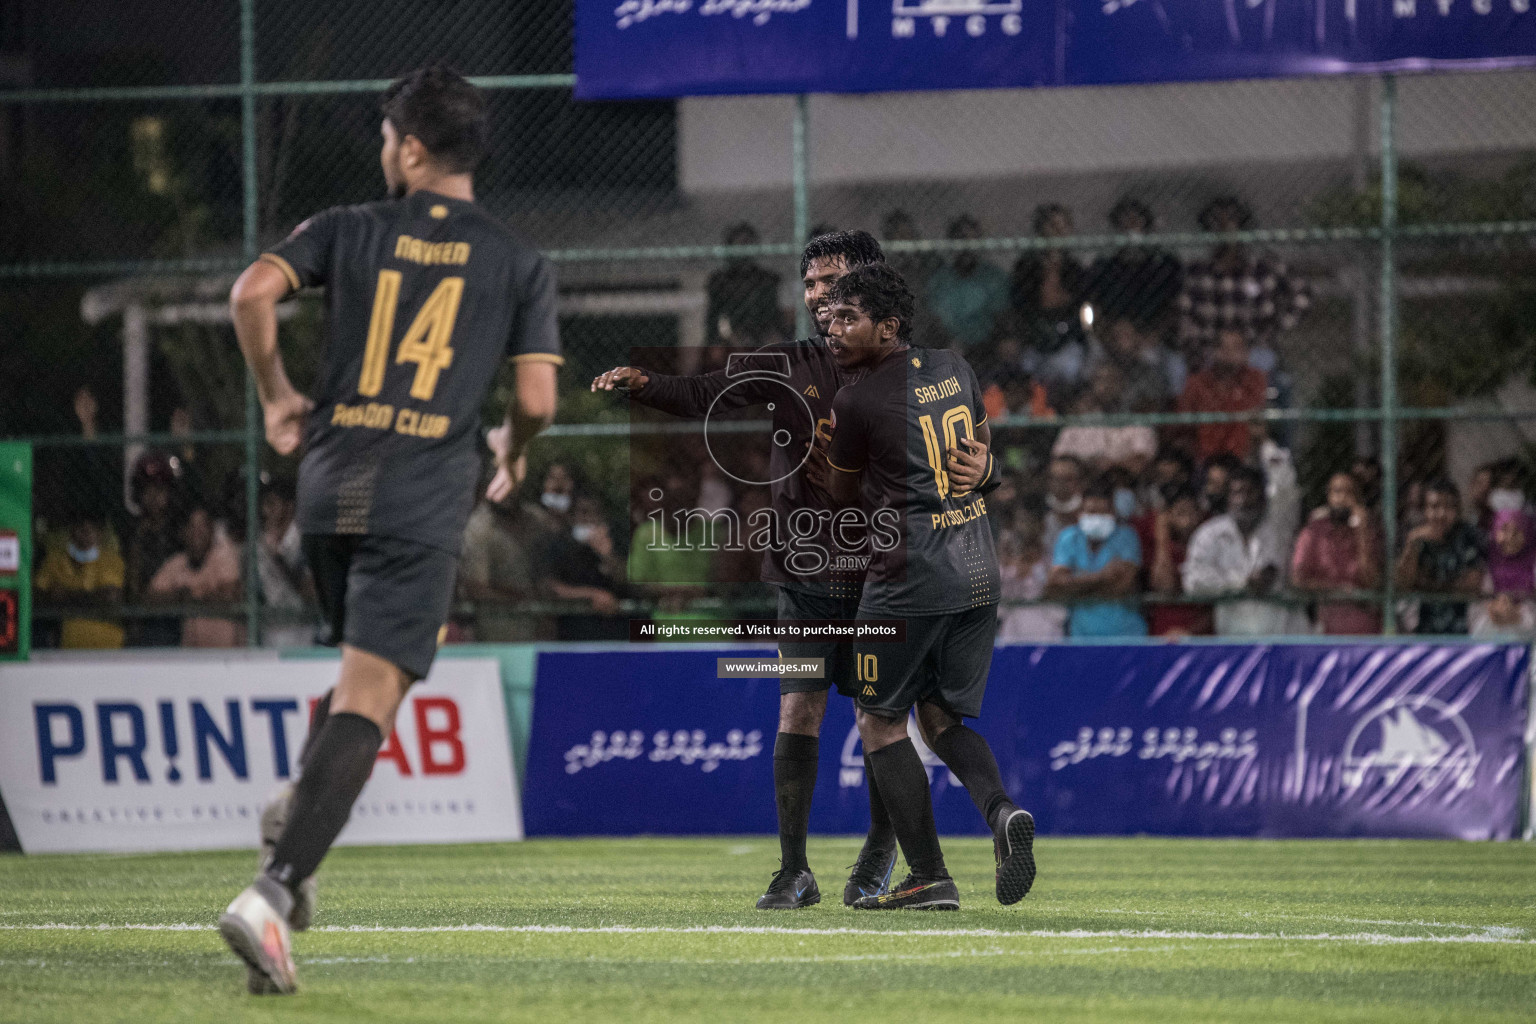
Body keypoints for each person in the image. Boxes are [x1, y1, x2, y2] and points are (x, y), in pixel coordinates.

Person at [216, 66, 560, 995]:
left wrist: (279, 400)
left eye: (384, 135)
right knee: (372, 699)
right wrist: (512, 450)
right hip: (421, 494)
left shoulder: (346, 227)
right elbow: (535, 398)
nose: (382, 149)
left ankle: (298, 817)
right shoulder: (518, 260)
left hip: (331, 490)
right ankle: (276, 892)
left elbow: (250, 294)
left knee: (359, 681)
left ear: (410, 146)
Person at [593, 230, 994, 910]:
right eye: (808, 285)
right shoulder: (788, 362)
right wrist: (647, 384)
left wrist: (989, 470)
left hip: (885, 573)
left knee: (883, 714)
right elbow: (706, 392)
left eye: (830, 284)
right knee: (799, 707)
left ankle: (876, 861)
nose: (814, 299)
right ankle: (793, 871)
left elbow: (972, 453)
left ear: (868, 289)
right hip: (806, 569)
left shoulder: (915, 370)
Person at [825, 262, 1035, 910]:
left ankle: (927, 875)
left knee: (878, 721)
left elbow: (837, 496)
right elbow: (979, 455)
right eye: (830, 315)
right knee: (939, 717)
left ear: (887, 327)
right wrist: (988, 469)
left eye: (848, 317)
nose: (832, 327)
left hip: (907, 578)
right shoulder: (954, 367)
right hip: (975, 568)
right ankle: (1000, 813)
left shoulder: (856, 400)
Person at [1177, 195, 1311, 366]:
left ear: (1242, 227)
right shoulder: (1197, 272)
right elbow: (1185, 314)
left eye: (1231, 221)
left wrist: (1274, 327)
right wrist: (1215, 345)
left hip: (1254, 348)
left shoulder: (1265, 266)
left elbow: (1302, 294)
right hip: (1212, 353)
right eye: (1217, 222)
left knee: (1266, 363)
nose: (1225, 228)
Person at [1183, 465, 1299, 636]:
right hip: (1233, 636)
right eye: (1237, 493)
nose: (1243, 500)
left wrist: (1268, 449)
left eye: (1250, 492)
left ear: (1262, 497)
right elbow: (1192, 581)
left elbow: (1286, 489)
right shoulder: (1210, 533)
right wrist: (1242, 582)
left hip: (1281, 635)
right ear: (1228, 497)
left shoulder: (1279, 529)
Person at [1045, 477, 1146, 638]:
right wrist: (1102, 577)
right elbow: (1055, 586)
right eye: (1092, 512)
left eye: (1103, 512)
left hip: (1126, 634)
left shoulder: (1127, 537)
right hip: (1080, 636)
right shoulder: (1069, 537)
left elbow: (1122, 587)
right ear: (1081, 513)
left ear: (1113, 512)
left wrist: (1076, 583)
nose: (1097, 518)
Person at [1290, 472, 1383, 635]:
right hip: (1327, 624)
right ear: (1329, 497)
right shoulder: (1314, 531)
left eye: (1350, 493)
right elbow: (1298, 579)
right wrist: (1336, 589)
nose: (1342, 499)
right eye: (1337, 492)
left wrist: (1362, 532)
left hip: (1366, 627)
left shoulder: (1368, 532)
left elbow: (1372, 580)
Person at [1009, 204, 1087, 385]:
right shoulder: (1026, 266)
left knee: (1070, 368)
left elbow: (1078, 306)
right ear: (1041, 229)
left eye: (1063, 225)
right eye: (1052, 225)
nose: (1058, 231)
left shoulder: (1075, 268)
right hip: (1033, 339)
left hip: (1067, 339)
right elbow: (1021, 306)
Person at [148, 502, 244, 648]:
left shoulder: (224, 554)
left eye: (203, 526)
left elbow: (229, 595)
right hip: (193, 654)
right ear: (183, 532)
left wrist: (191, 594)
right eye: (191, 526)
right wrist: (181, 595)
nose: (197, 533)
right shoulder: (177, 562)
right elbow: (150, 596)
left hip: (228, 654)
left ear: (212, 530)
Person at [1394, 477, 1483, 635]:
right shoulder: (1416, 537)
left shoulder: (1469, 535)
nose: (1441, 514)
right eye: (1434, 507)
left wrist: (1427, 585)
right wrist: (1411, 545)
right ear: (1424, 510)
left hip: (1464, 630)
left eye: (1448, 507)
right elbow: (1403, 584)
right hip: (1424, 630)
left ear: (1458, 510)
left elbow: (1471, 584)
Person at [1084, 197, 1183, 334]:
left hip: (1154, 339)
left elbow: (1176, 307)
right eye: (1125, 222)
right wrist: (1109, 337)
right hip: (1113, 335)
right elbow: (1091, 307)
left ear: (1146, 226)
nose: (1131, 227)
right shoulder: (1104, 266)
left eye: (1136, 221)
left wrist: (1150, 338)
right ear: (1118, 228)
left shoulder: (1165, 265)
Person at [33, 508, 126, 649]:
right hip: (62, 638)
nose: (86, 534)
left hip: (105, 638)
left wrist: (64, 596)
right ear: (71, 532)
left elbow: (110, 597)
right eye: (80, 528)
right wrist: (91, 596)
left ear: (100, 534)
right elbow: (37, 594)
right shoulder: (54, 559)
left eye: (91, 530)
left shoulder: (111, 560)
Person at [1177, 327, 1268, 463]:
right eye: (1223, 347)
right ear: (1214, 351)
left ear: (1246, 352)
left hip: (1243, 456)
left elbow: (1257, 417)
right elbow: (1184, 423)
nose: (1229, 353)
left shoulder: (1255, 379)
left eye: (1236, 347)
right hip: (1205, 455)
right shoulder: (1197, 382)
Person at [1050, 365, 1157, 478]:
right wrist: (1086, 465)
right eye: (1101, 380)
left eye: (1112, 380)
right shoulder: (1079, 422)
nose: (1107, 386)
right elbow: (1059, 456)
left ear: (1123, 385)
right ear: (1093, 385)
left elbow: (1141, 461)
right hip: (1082, 482)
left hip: (1122, 482)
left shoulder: (1137, 421)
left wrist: (1111, 464)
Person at [926, 214, 1010, 351]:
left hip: (989, 345)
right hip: (952, 346)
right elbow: (938, 320)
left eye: (972, 240)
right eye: (962, 240)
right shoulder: (940, 279)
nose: (967, 248)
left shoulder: (993, 276)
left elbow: (1002, 315)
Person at [1142, 487, 1213, 637]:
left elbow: (1215, 608)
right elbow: (1165, 586)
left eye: (1192, 513)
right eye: (1180, 513)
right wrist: (1162, 538)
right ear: (1168, 517)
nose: (1187, 521)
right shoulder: (1162, 549)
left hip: (1201, 638)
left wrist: (1189, 632)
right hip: (1162, 635)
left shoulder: (1211, 548)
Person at [705, 221, 784, 347]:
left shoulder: (766, 279)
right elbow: (714, 318)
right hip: (731, 332)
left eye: (748, 243)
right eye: (740, 244)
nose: (745, 249)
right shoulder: (720, 280)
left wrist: (772, 335)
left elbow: (774, 316)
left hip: (762, 332)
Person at [256, 479, 314, 648]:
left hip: (301, 630)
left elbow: (308, 591)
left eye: (272, 504)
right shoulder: (260, 542)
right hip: (269, 630)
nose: (266, 511)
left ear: (289, 507)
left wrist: (278, 559)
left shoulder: (305, 540)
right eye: (265, 504)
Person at [1471, 508, 1536, 635]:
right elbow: (1474, 622)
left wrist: (1518, 616)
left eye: (1517, 531)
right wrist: (1493, 610)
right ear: (1494, 532)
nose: (1510, 537)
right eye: (1504, 529)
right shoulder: (1484, 566)